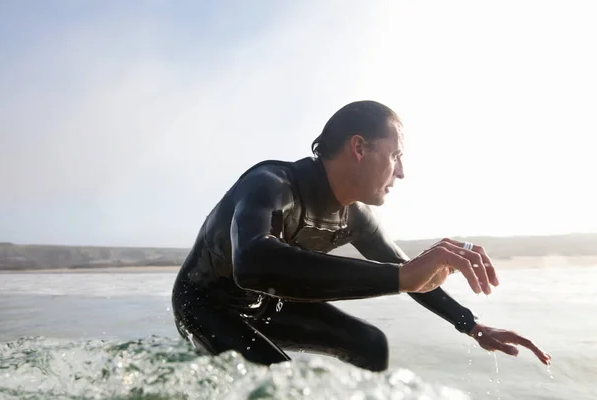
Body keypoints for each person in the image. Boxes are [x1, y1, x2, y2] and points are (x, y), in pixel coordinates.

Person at [171, 100, 551, 372]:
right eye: (396, 155)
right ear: (359, 148)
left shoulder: (357, 217)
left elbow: (408, 271)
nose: (400, 172)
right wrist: (402, 278)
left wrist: (472, 325)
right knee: (279, 382)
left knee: (371, 345)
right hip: (206, 303)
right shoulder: (271, 184)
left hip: (268, 305)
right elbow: (252, 263)